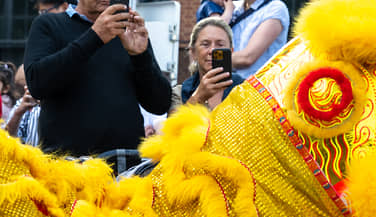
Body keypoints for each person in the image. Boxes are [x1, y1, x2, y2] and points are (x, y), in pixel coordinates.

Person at [23, 0, 171, 171]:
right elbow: (38, 84)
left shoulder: (126, 31)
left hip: (126, 169)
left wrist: (140, 56)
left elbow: (160, 104)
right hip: (69, 170)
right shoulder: (49, 24)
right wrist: (94, 36)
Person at [170, 17, 244, 113]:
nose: (212, 50)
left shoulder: (244, 88)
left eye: (220, 45)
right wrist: (198, 97)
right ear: (193, 52)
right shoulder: (179, 93)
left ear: (231, 51)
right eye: (205, 44)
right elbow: (174, 127)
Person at [228, 0, 289, 80]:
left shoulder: (275, 7)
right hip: (228, 84)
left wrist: (212, 60)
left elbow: (247, 58)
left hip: (256, 87)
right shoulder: (234, 9)